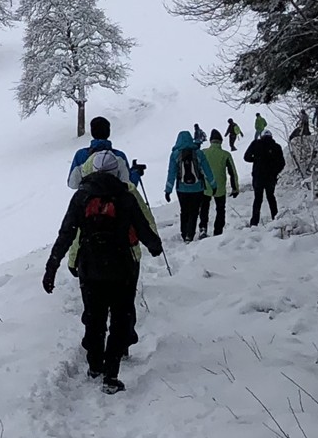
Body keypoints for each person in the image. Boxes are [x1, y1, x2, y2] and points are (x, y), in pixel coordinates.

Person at [44, 148, 164, 392]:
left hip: (90, 267)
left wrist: (52, 266)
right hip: (122, 267)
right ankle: (111, 374)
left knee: (94, 317)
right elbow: (142, 228)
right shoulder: (125, 196)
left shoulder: (81, 197)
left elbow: (66, 233)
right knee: (121, 318)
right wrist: (155, 246)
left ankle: (94, 365)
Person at [166, 128, 211, 242]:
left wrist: (168, 190)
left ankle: (184, 233)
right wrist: (213, 184)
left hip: (182, 189)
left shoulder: (175, 155)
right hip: (197, 188)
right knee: (194, 211)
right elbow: (207, 170)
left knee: (184, 211)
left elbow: (171, 173)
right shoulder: (198, 153)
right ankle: (189, 235)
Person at [66, 115, 129, 189]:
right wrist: (136, 172)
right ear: (108, 132)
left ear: (92, 132)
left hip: (88, 198)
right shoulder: (119, 156)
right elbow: (128, 184)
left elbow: (73, 184)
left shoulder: (80, 155)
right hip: (114, 198)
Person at [245, 118, 286, 225]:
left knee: (257, 199)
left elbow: (246, 157)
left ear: (262, 136)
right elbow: (282, 163)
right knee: (271, 197)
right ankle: (276, 219)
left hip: (258, 176)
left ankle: (254, 222)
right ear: (271, 137)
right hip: (270, 177)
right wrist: (275, 172)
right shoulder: (276, 147)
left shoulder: (255, 144)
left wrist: (256, 160)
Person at [201, 129, 240, 236]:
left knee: (204, 208)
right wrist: (235, 188)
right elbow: (233, 173)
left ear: (210, 141)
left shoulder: (203, 152)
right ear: (221, 141)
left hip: (205, 186)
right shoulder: (225, 154)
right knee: (220, 209)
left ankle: (203, 228)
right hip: (220, 187)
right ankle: (218, 231)